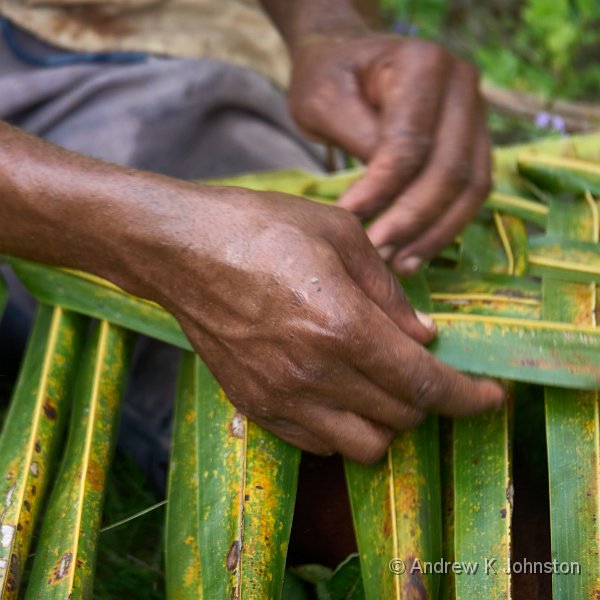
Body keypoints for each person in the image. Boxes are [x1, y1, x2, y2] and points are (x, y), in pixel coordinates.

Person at [0, 0, 504, 488]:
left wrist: (328, 25)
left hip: (201, 38)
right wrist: (166, 241)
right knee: (332, 395)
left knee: (347, 336)